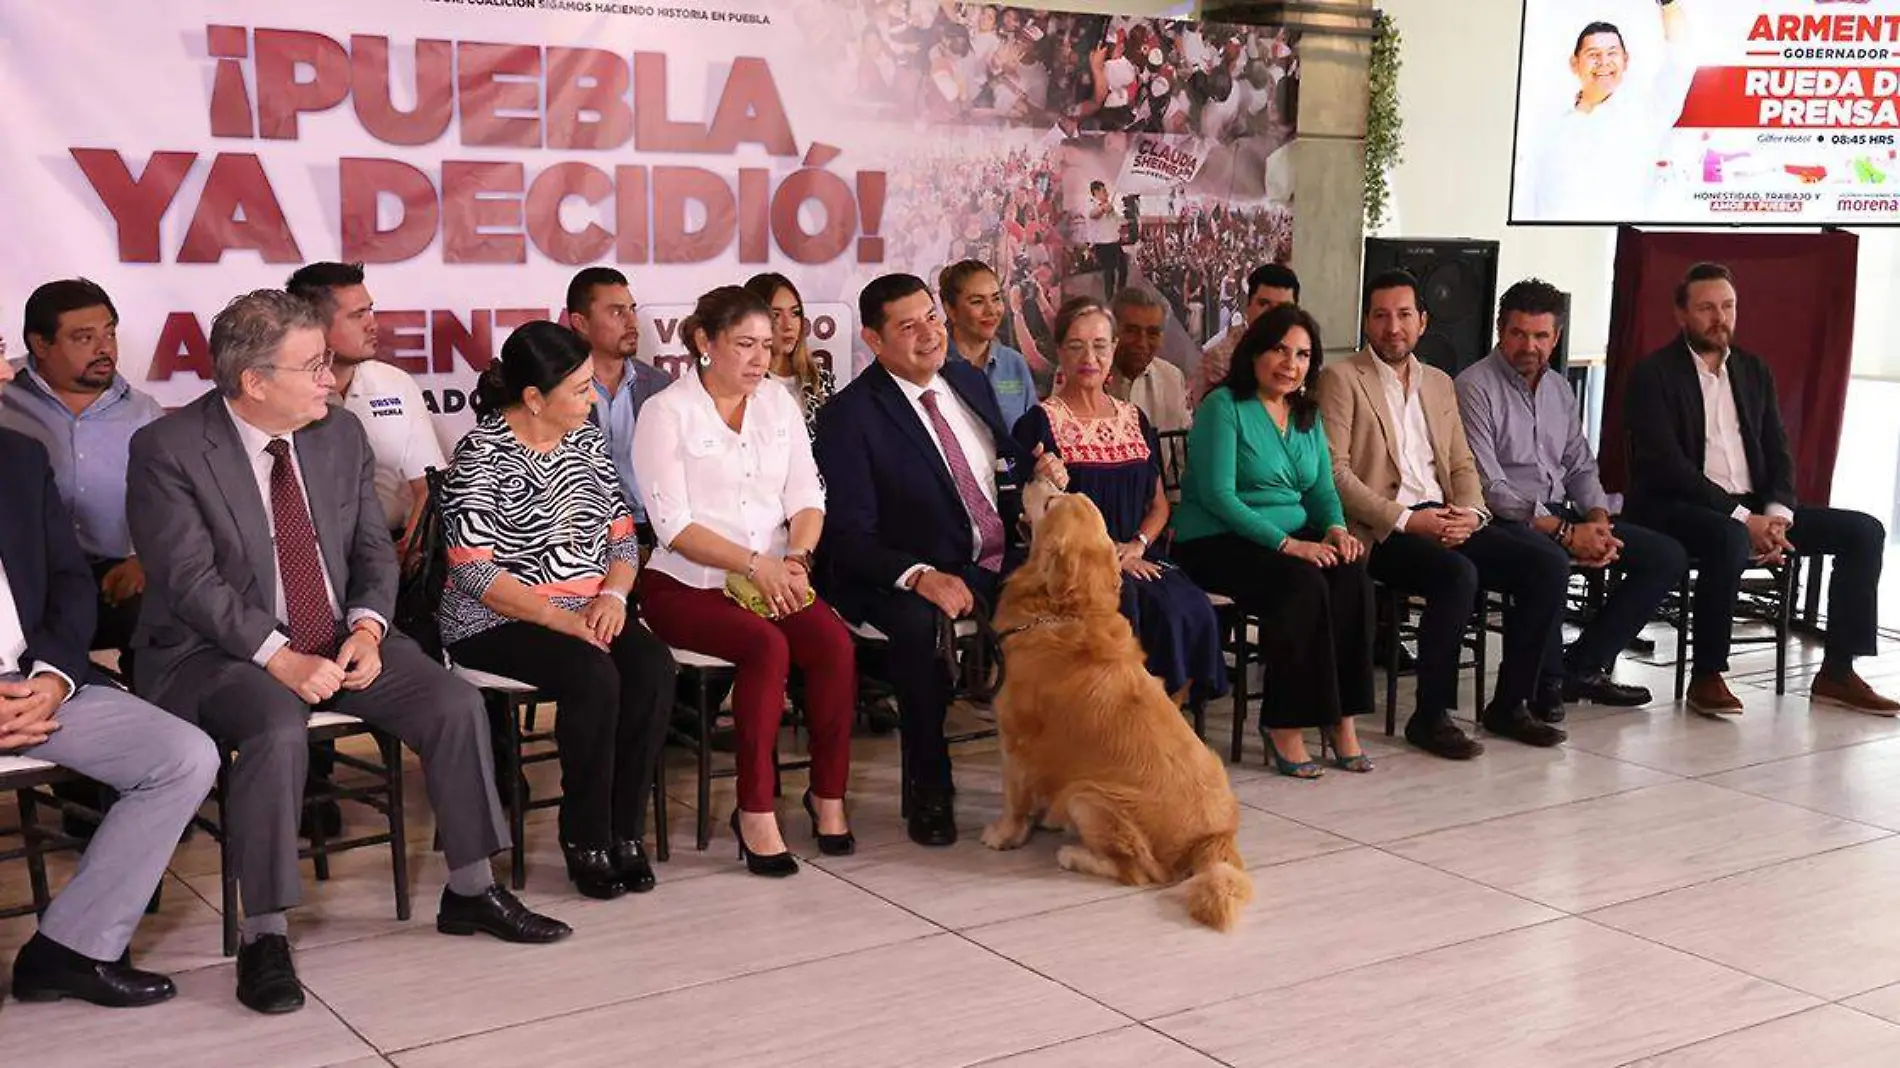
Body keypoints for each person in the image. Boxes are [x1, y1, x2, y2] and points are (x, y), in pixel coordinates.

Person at [128, 290, 569, 1016]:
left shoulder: (338, 436)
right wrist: (279, 657)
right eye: (313, 367)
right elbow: (190, 584)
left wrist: (365, 630)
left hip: (337, 635)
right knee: (274, 725)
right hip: (212, 651)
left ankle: (471, 889)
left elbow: (372, 550)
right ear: (255, 382)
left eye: (328, 363)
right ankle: (266, 934)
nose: (331, 380)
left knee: (453, 702)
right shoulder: (169, 449)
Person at [814, 273, 1064, 847]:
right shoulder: (850, 417)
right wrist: (919, 576)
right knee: (920, 631)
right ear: (874, 342)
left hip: (990, 560)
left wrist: (1036, 473)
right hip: (895, 571)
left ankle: (1059, 778)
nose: (930, 333)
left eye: (931, 316)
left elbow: (999, 471)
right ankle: (930, 788)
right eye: (908, 326)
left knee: (1076, 610)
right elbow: (849, 537)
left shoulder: (965, 381)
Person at [0, 366, 216, 1010]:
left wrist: (53, 677)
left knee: (182, 756)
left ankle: (70, 949)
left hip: (33, 684)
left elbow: (70, 583)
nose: (4, 371)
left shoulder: (17, 457)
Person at [439, 320, 677, 898]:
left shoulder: (586, 442)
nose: (591, 398)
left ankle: (625, 832)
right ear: (532, 398)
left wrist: (613, 596)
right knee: (593, 675)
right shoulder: (482, 453)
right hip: (497, 618)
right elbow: (473, 571)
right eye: (577, 389)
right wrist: (563, 619)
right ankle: (585, 838)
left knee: (651, 666)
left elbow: (623, 537)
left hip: (589, 606)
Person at [634, 287, 857, 876]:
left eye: (766, 345)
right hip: (687, 585)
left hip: (777, 578)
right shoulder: (666, 412)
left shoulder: (778, 404)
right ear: (705, 344)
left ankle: (827, 795)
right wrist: (755, 563)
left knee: (833, 644)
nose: (760, 358)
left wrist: (797, 560)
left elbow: (808, 495)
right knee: (766, 646)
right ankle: (756, 808)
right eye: (744, 345)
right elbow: (672, 525)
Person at [1318, 270, 1571, 760]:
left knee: (1547, 564)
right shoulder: (1341, 378)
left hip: (1447, 516)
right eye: (1382, 316)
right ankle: (1429, 715)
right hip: (1384, 528)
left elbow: (1460, 463)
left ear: (1423, 320)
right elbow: (1336, 474)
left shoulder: (1438, 382)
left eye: (1405, 315)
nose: (1394, 327)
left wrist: (1472, 515)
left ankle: (1511, 703)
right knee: (1457, 576)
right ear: (1367, 322)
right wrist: (1408, 521)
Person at [1624, 262, 1896, 716]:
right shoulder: (1654, 374)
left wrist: (1776, 519)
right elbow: (1668, 468)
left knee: (1863, 531)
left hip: (1755, 510)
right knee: (1728, 537)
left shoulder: (1752, 370)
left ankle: (1838, 672)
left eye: (1728, 307)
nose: (1720, 318)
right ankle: (1707, 675)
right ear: (1681, 314)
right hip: (1680, 507)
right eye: (1707, 308)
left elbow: (1779, 453)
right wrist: (1743, 521)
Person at [1456, 279, 1685, 720]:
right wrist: (1564, 532)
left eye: (1541, 336)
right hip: (1507, 520)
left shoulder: (1559, 389)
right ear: (1500, 331)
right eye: (1519, 333)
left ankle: (1581, 666)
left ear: (1556, 337)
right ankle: (1542, 686)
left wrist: (1596, 520)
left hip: (1566, 513)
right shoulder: (1474, 387)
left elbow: (1579, 464)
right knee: (1550, 560)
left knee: (1665, 556)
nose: (1529, 346)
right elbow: (1490, 486)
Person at [1173, 304, 1375, 776]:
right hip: (1217, 539)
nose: (1291, 363)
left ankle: (1340, 717)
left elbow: (1323, 490)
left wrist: (1337, 530)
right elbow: (1220, 497)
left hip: (1287, 537)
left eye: (1303, 355)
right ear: (1255, 352)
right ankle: (1284, 722)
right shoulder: (1222, 407)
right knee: (1302, 584)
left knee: (1351, 576)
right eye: (1280, 350)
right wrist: (1291, 546)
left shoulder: (1306, 413)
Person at [1014, 296, 1226, 708]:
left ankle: (1165, 727)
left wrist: (1137, 546)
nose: (1089, 357)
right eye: (1076, 346)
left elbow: (1159, 505)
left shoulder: (1133, 418)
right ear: (1060, 352)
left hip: (1139, 555)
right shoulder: (1041, 422)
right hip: (1075, 566)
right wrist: (1107, 552)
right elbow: (1034, 520)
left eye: (1099, 345)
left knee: (1189, 607)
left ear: (1113, 350)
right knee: (1137, 607)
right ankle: (1122, 730)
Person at [2, 279, 164, 662]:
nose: (104, 348)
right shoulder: (6, 397)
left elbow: (171, 506)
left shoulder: (145, 414)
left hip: (114, 577)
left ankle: (149, 717)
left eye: (109, 333)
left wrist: (144, 559)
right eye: (83, 338)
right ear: (41, 344)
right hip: (27, 575)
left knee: (157, 618)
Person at [285, 262, 444, 555]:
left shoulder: (395, 383)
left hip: (391, 549)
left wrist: (405, 554)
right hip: (303, 557)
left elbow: (428, 486)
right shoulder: (280, 390)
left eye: (370, 310)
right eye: (358, 315)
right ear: (313, 324)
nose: (372, 324)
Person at [1519, 4, 1694, 222]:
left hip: (1618, 246)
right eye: (1593, 54)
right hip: (1547, 246)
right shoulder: (1544, 123)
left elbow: (1681, 60)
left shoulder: (1646, 114)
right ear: (1574, 63)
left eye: (1612, 53)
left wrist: (1667, 3)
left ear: (1626, 60)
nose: (1604, 62)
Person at [566, 266, 672, 539]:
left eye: (632, 309)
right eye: (616, 311)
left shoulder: (661, 385)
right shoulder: (557, 391)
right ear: (580, 322)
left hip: (655, 531)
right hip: (583, 536)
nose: (632, 321)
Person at [941, 259, 1038, 430]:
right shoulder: (934, 365)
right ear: (950, 309)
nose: (991, 310)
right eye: (977, 301)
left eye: (996, 299)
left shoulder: (1014, 363)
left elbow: (1034, 434)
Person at [743, 272, 836, 440]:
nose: (789, 325)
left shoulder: (819, 378)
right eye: (776, 315)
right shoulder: (744, 381)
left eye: (795, 313)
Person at [1191, 263, 1299, 407]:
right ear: (1248, 307)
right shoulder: (1219, 359)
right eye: (1264, 304)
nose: (1273, 315)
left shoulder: (1303, 357)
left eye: (1282, 308)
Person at [1105, 287, 1192, 434]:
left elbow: (1180, 449)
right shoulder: (1082, 376)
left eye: (1152, 333)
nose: (1142, 342)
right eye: (1132, 331)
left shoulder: (1172, 378)